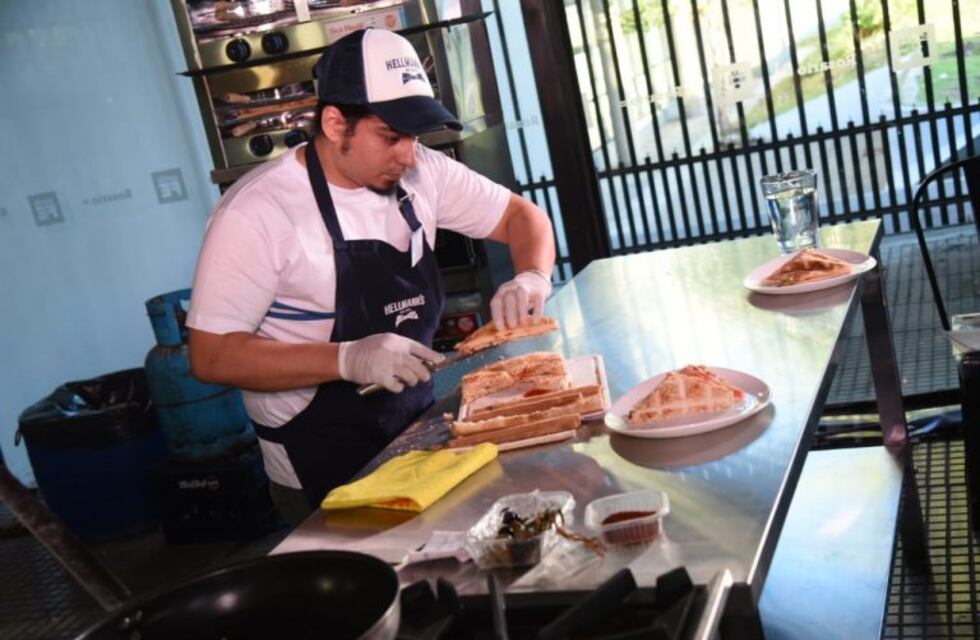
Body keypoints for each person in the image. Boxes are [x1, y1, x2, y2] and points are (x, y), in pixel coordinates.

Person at [186, 28, 556, 524]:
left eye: (415, 136)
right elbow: (211, 355)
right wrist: (347, 358)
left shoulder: (423, 172)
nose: (409, 155)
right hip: (320, 459)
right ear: (336, 123)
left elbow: (521, 216)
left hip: (421, 432)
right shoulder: (257, 212)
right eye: (391, 136)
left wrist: (531, 275)